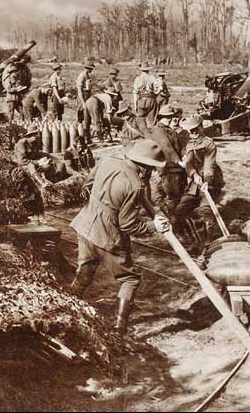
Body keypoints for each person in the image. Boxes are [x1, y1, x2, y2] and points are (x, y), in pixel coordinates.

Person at [69, 139, 170, 334]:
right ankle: (119, 328)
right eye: (152, 167)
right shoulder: (135, 186)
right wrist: (154, 226)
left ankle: (69, 305)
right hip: (107, 235)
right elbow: (128, 225)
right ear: (146, 166)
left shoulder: (107, 160)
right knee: (130, 279)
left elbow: (87, 184)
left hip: (85, 224)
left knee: (86, 269)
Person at [175, 115, 225, 243]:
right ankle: (191, 239)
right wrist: (193, 174)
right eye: (191, 130)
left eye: (196, 129)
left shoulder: (209, 143)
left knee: (205, 210)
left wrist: (207, 181)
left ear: (202, 127)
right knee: (181, 209)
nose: (194, 133)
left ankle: (208, 241)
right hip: (195, 182)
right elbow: (188, 164)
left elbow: (209, 165)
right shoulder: (189, 144)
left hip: (211, 181)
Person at [148, 105, 188, 226]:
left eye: (172, 116)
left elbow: (179, 146)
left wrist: (184, 156)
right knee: (174, 197)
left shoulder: (169, 130)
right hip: (168, 168)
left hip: (176, 168)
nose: (171, 119)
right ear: (161, 118)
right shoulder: (157, 131)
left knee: (178, 193)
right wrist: (179, 161)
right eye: (168, 117)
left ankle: (179, 217)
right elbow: (167, 147)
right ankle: (175, 222)